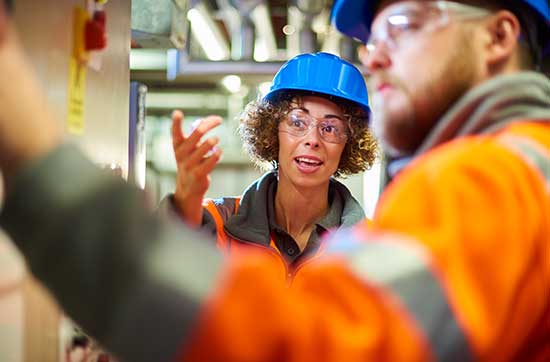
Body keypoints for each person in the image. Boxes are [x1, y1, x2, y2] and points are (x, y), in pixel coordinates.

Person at [1, 0, 549, 361]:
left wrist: (41, 161)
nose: (374, 54)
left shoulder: (488, 179)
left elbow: (308, 344)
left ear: (498, 36)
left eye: (401, 25)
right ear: (275, 133)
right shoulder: (529, 165)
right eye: (298, 122)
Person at [162, 52, 377, 274]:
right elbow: (159, 275)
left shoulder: (369, 246)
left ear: (349, 144)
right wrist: (184, 204)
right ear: (272, 131)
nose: (313, 140)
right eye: (297, 122)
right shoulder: (218, 223)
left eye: (330, 128)